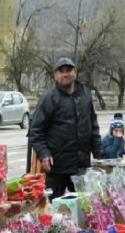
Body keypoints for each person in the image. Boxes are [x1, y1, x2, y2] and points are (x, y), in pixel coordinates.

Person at [28, 57, 101, 198]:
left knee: (85, 207)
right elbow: (35, 131)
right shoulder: (49, 98)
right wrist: (44, 154)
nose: (65, 74)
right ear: (55, 76)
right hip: (57, 166)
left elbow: (93, 125)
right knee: (53, 208)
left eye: (68, 70)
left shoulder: (85, 94)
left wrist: (98, 153)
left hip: (81, 166)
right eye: (61, 71)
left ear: (75, 72)